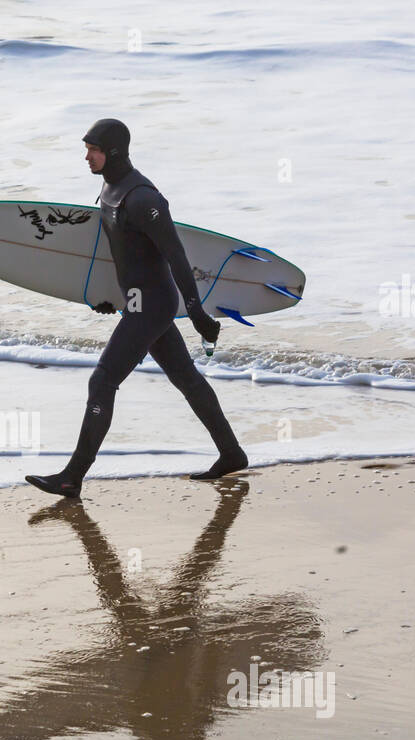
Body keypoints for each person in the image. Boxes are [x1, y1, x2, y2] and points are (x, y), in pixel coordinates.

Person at [25, 118, 248, 498]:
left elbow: (176, 256)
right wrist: (107, 295)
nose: (86, 156)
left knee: (103, 379)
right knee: (186, 378)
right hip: (137, 301)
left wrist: (196, 314)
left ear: (111, 151)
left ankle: (72, 476)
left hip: (154, 303)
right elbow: (123, 255)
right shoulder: (111, 188)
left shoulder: (144, 199)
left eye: (92, 149)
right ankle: (231, 452)